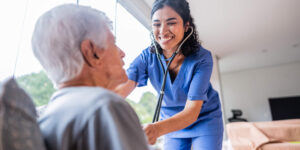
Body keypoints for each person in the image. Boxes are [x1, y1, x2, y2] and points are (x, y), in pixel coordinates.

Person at [31, 4, 149, 150]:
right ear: (91, 52)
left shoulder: (49, 115)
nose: (122, 53)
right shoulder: (105, 107)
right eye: (113, 42)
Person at [115, 0, 224, 149]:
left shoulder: (202, 58)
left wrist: (156, 129)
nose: (163, 31)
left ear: (186, 26)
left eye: (171, 23)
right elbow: (121, 89)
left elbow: (192, 112)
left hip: (204, 119)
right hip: (170, 123)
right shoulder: (147, 57)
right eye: (156, 24)